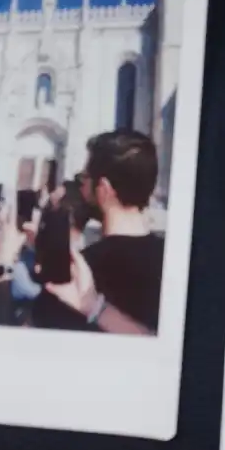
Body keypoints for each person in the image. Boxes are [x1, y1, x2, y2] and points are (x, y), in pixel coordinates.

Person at [39, 131, 166, 334]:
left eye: (84, 179)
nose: (81, 188)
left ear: (104, 189)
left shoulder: (78, 277)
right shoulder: (172, 262)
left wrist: (4, 266)